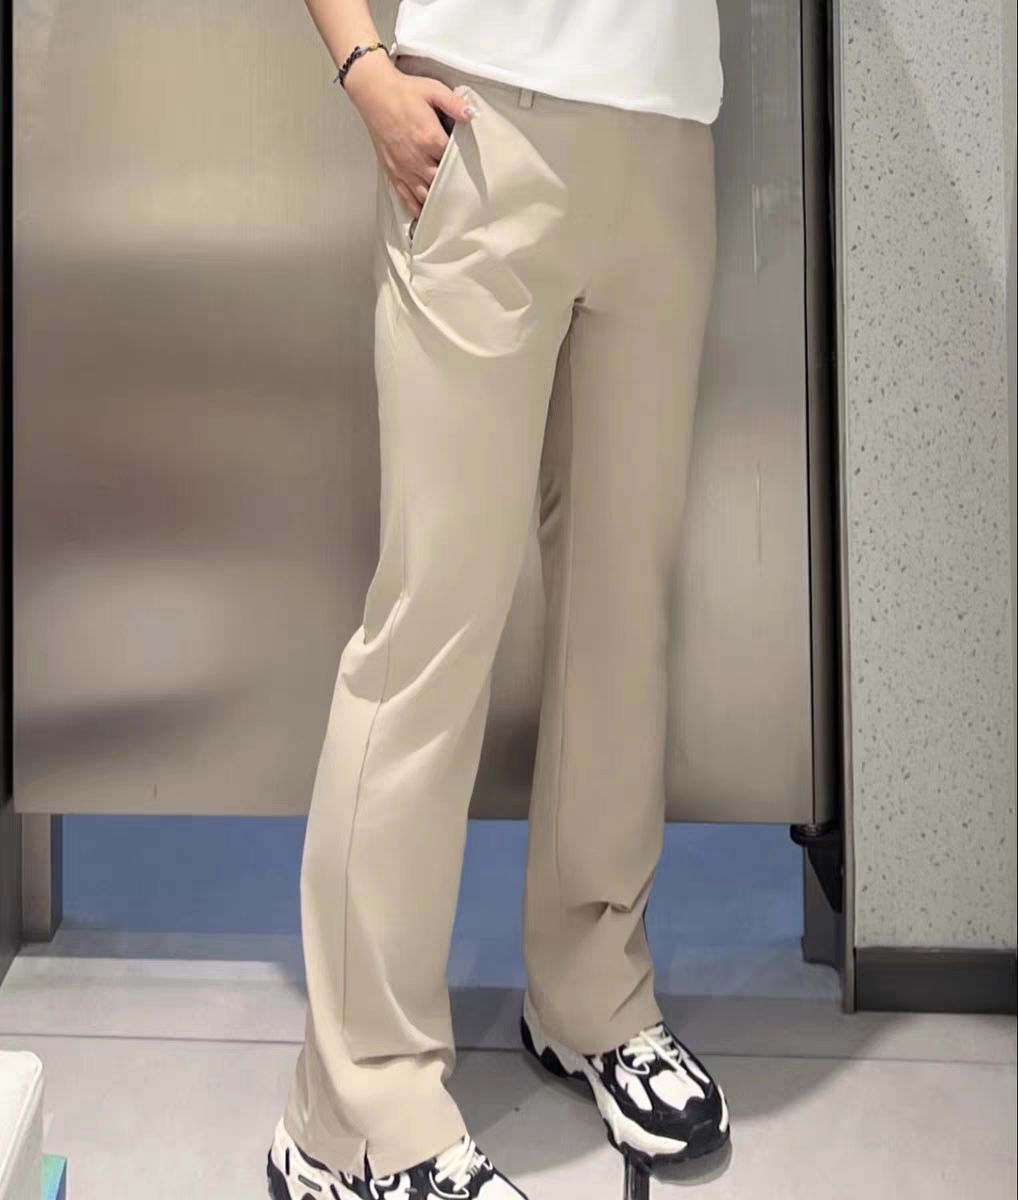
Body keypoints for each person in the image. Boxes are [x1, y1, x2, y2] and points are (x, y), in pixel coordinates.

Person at [267, 3, 730, 1197]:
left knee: (622, 612)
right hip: (481, 125)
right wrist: (362, 67)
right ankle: (354, 1111)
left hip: (667, 134)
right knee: (432, 624)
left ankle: (592, 991)